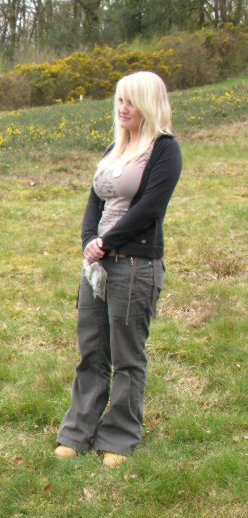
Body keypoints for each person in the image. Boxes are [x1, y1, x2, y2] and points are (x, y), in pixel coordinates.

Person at [55, 71, 182, 467]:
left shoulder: (164, 150)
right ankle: (77, 431)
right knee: (91, 350)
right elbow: (95, 201)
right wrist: (88, 239)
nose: (122, 108)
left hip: (135, 264)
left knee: (127, 356)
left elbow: (149, 210)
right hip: (98, 265)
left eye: (130, 101)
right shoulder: (116, 147)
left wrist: (106, 242)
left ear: (148, 105)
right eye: (119, 100)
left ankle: (120, 435)